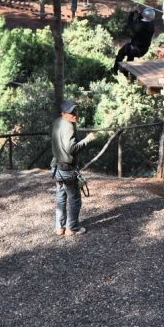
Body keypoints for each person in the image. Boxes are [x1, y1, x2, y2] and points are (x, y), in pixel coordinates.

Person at [50, 100, 96, 236]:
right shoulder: (69, 126)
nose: (74, 115)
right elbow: (71, 149)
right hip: (67, 169)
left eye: (75, 111)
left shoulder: (57, 122)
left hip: (56, 167)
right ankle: (73, 228)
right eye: (71, 112)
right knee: (74, 198)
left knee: (61, 196)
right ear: (63, 113)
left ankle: (60, 227)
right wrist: (88, 139)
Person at [111, 7, 156, 73]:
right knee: (130, 52)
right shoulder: (152, 25)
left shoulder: (138, 26)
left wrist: (132, 13)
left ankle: (115, 70)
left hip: (135, 50)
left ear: (144, 15)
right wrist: (140, 14)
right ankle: (127, 70)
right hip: (144, 50)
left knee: (121, 52)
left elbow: (129, 23)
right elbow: (143, 20)